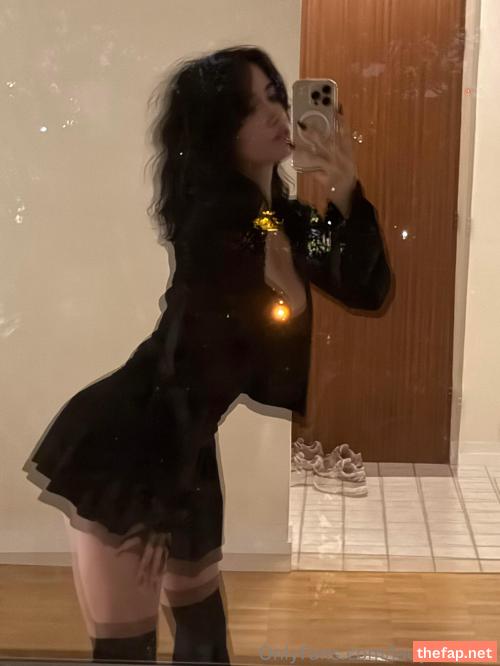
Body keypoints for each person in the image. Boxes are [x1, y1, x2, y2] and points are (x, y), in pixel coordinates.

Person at [22, 46, 393, 664]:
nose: (276, 113)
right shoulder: (214, 226)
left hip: (186, 447)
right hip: (132, 445)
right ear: (220, 129)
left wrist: (345, 188)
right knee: (127, 649)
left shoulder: (278, 219)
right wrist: (156, 503)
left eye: (275, 95)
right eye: (251, 107)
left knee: (203, 635)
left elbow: (363, 286)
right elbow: (181, 362)